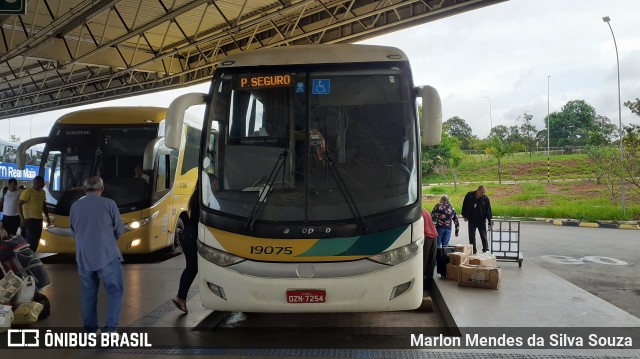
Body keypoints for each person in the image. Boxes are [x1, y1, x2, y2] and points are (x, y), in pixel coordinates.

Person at [69, 176, 125, 332]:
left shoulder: (75, 206)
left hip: (83, 257)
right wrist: (107, 240)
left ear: (84, 189)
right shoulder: (109, 204)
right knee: (115, 291)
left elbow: (73, 232)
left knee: (88, 293)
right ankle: (110, 331)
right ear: (102, 188)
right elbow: (119, 229)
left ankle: (90, 330)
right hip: (107, 255)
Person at [172, 183, 200, 313]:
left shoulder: (196, 196)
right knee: (192, 267)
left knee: (192, 267)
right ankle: (180, 297)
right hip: (191, 236)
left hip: (188, 234)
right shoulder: (203, 198)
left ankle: (181, 297)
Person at [18, 176, 50, 252]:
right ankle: (27, 257)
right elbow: (19, 205)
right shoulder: (27, 192)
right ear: (37, 182)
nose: (44, 184)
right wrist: (22, 219)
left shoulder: (43, 192)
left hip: (39, 220)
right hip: (29, 220)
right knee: (30, 240)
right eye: (42, 182)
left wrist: (47, 217)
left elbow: (43, 205)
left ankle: (31, 255)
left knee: (37, 240)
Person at [461, 185, 493, 254]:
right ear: (478, 190)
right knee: (472, 236)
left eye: (484, 192)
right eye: (482, 192)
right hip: (472, 219)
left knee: (483, 235)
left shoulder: (485, 199)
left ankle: (485, 250)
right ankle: (473, 251)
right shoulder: (469, 195)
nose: (483, 194)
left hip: (481, 220)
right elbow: (464, 205)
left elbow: (489, 211)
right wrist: (465, 215)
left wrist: (490, 222)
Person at [421, 207, 438, 291]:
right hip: (434, 236)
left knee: (422, 263)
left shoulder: (417, 211)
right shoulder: (424, 210)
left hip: (426, 237)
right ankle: (428, 286)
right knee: (431, 263)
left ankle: (419, 288)